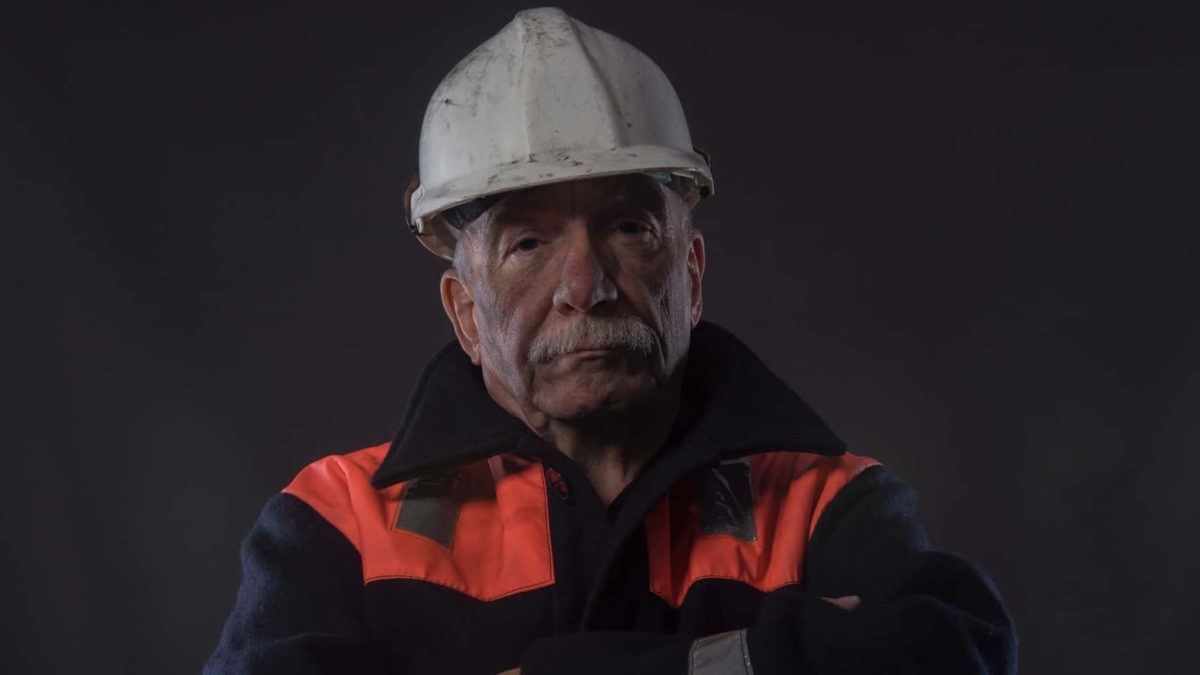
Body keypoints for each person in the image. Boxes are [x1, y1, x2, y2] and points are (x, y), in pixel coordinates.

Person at [206, 8, 1016, 674]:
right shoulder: (338, 522)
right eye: (528, 244)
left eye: (628, 227)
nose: (583, 286)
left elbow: (954, 656)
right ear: (462, 310)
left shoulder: (822, 505)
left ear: (690, 275)